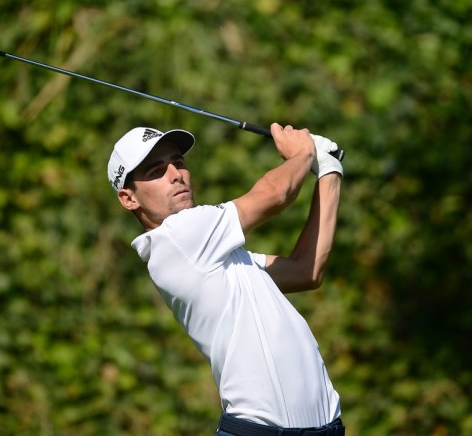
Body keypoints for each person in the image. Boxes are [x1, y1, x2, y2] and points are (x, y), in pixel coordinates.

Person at [107, 123, 345, 436]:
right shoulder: (179, 237)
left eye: (178, 163)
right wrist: (301, 153)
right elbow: (277, 193)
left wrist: (329, 172)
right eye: (155, 171)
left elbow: (306, 271)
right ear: (129, 198)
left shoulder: (218, 255)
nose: (175, 174)